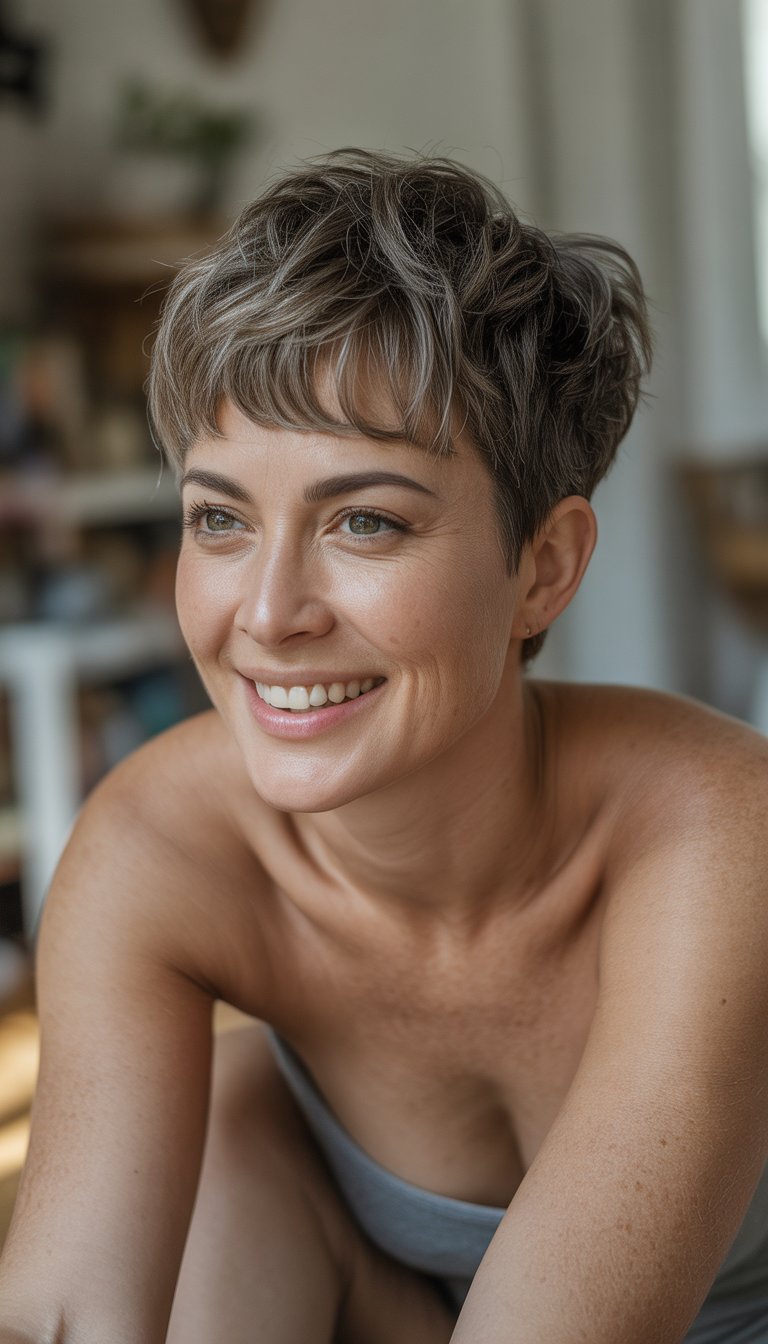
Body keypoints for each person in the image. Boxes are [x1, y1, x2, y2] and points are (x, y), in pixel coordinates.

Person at [1, 149, 767, 1344]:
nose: (267, 615)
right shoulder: (156, 847)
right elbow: (61, 1310)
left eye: (364, 521)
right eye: (220, 519)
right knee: (236, 1114)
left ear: (543, 567)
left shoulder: (719, 834)